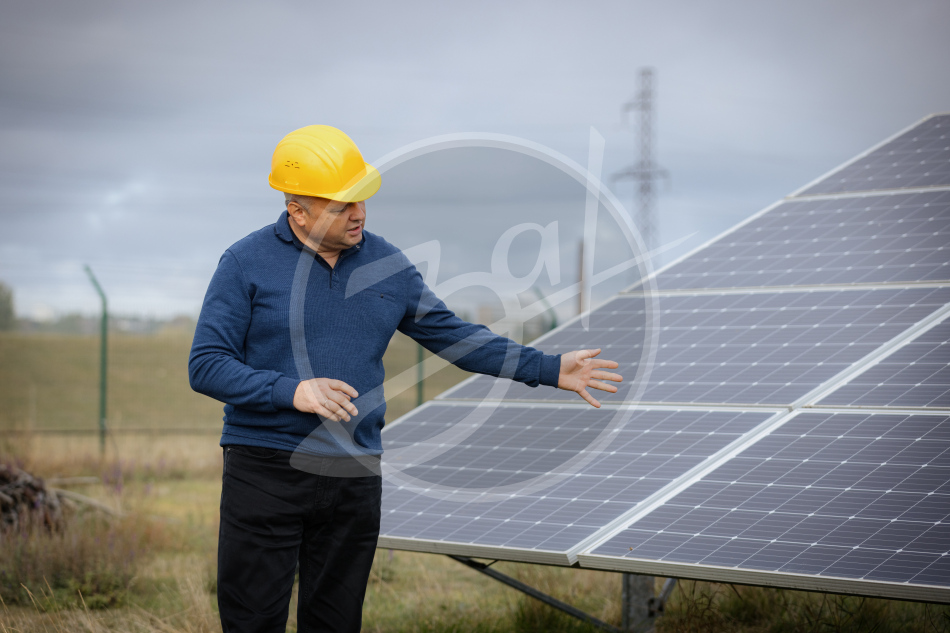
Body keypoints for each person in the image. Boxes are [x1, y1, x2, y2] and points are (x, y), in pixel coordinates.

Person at [188, 125, 623, 633]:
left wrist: (548, 368)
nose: (359, 213)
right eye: (340, 205)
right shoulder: (245, 262)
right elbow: (207, 363)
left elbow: (454, 337)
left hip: (354, 474)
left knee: (336, 623)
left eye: (362, 199)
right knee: (252, 623)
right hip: (266, 470)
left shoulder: (387, 265)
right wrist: (293, 391)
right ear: (296, 210)